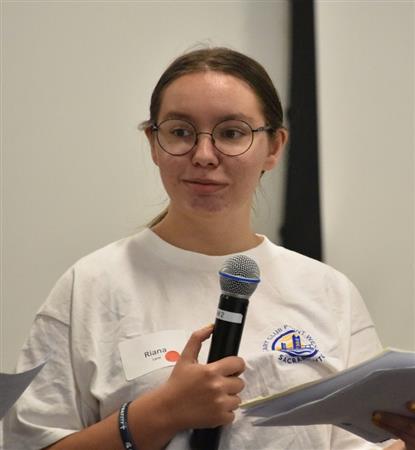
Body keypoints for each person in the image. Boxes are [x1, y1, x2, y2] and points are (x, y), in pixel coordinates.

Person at [4, 47, 414, 450]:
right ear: (153, 143)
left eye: (232, 133)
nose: (203, 155)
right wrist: (159, 413)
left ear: (274, 147)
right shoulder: (90, 286)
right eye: (180, 132)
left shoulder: (330, 292)